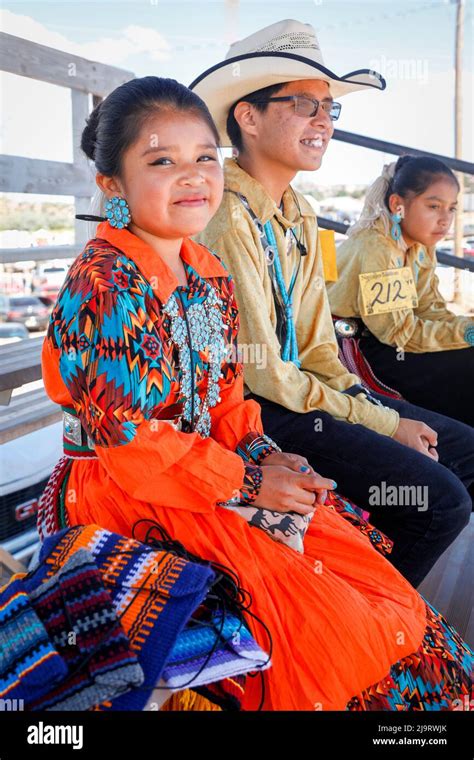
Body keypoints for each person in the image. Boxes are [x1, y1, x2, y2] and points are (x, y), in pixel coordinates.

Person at [39, 75, 472, 712]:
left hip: (210, 468)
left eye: (204, 159)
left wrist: (266, 454)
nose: (192, 177)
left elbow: (226, 397)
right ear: (112, 186)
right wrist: (246, 484)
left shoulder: (204, 270)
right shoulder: (106, 282)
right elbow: (131, 439)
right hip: (134, 487)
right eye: (162, 161)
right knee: (320, 628)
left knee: (369, 576)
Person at [191, 18, 474, 588]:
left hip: (312, 387)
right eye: (303, 103)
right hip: (255, 407)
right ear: (247, 116)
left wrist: (379, 416)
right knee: (439, 501)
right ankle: (361, 620)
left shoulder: (300, 214)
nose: (324, 121)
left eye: (329, 108)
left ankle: (379, 597)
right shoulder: (226, 215)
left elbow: (319, 347)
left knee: (463, 446)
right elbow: (265, 371)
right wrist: (385, 420)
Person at [327, 155, 474, 427]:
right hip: (354, 343)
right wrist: (466, 333)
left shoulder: (419, 245)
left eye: (452, 209)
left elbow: (430, 309)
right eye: (433, 206)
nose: (445, 220)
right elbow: (398, 334)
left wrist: (468, 330)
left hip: (389, 337)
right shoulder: (378, 248)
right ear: (398, 205)